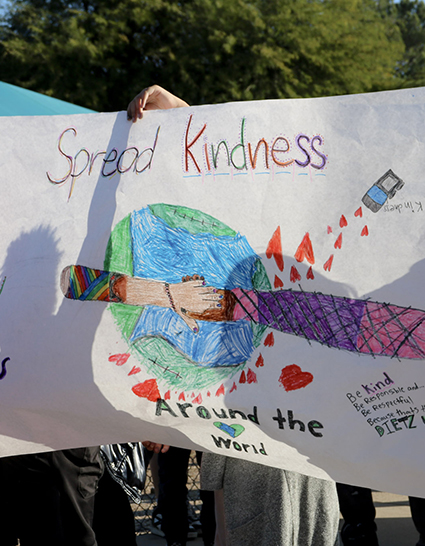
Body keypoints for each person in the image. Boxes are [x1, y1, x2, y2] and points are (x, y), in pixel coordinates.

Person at [132, 87, 339, 546]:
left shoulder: (309, 255)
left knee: (304, 523)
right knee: (247, 524)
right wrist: (173, 110)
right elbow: (211, 167)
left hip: (303, 427)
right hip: (241, 428)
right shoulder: (227, 241)